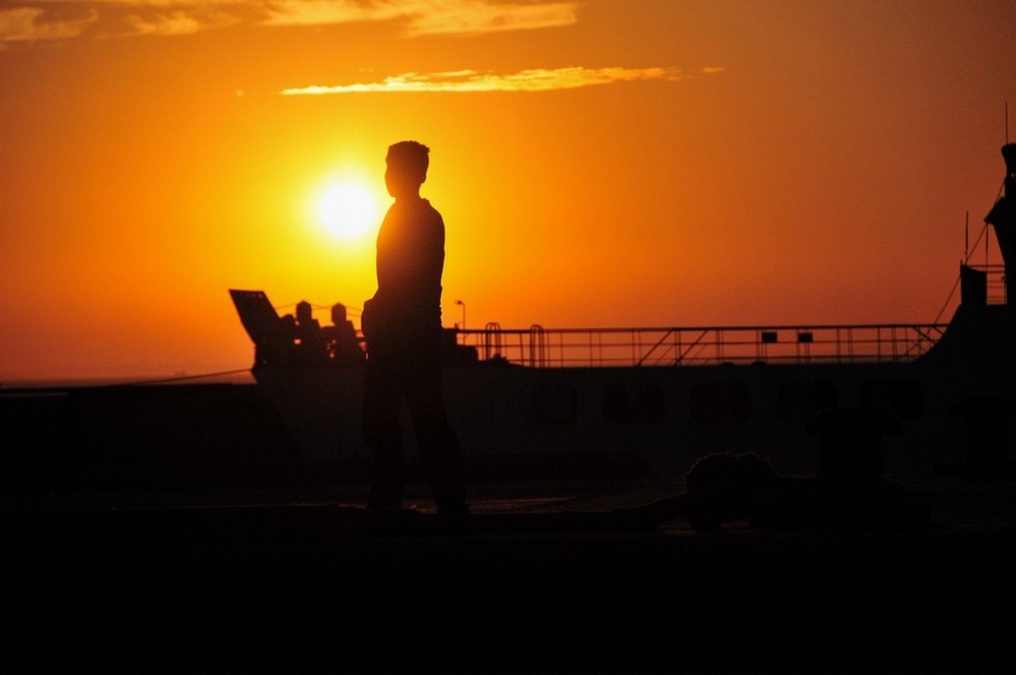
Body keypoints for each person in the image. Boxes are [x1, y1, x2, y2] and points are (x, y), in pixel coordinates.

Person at [360, 141, 468, 515]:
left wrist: (380, 313)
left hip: (410, 337)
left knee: (421, 422)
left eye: (396, 169)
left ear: (419, 175)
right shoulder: (399, 215)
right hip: (399, 334)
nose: (389, 176)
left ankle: (442, 504)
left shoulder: (421, 219)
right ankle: (397, 500)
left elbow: (409, 282)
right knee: (390, 420)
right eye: (387, 168)